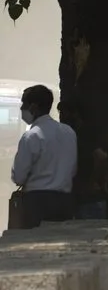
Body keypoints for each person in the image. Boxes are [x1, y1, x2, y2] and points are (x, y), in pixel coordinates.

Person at [11, 85, 77, 228]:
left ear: (34, 107)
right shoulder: (69, 132)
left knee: (34, 243)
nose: (22, 108)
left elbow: (19, 176)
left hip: (37, 203)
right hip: (65, 201)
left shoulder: (31, 136)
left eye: (24, 104)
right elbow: (72, 169)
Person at [58, 97, 108, 220]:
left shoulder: (83, 134)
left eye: (63, 113)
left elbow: (103, 156)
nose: (61, 118)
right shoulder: (92, 132)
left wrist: (97, 181)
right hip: (85, 198)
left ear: (74, 113)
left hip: (88, 200)